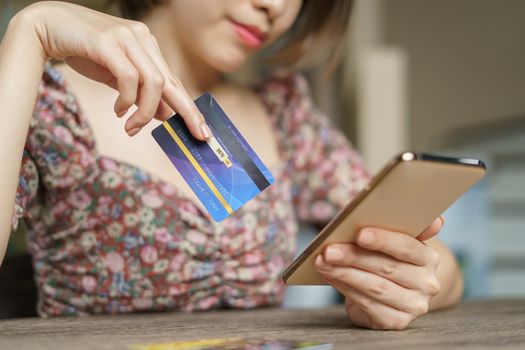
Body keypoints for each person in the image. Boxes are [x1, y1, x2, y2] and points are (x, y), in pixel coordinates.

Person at [0, 0, 462, 329]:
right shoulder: (47, 104)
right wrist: (31, 34)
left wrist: (410, 287)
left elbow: (440, 268)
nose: (276, 6)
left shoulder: (284, 114)